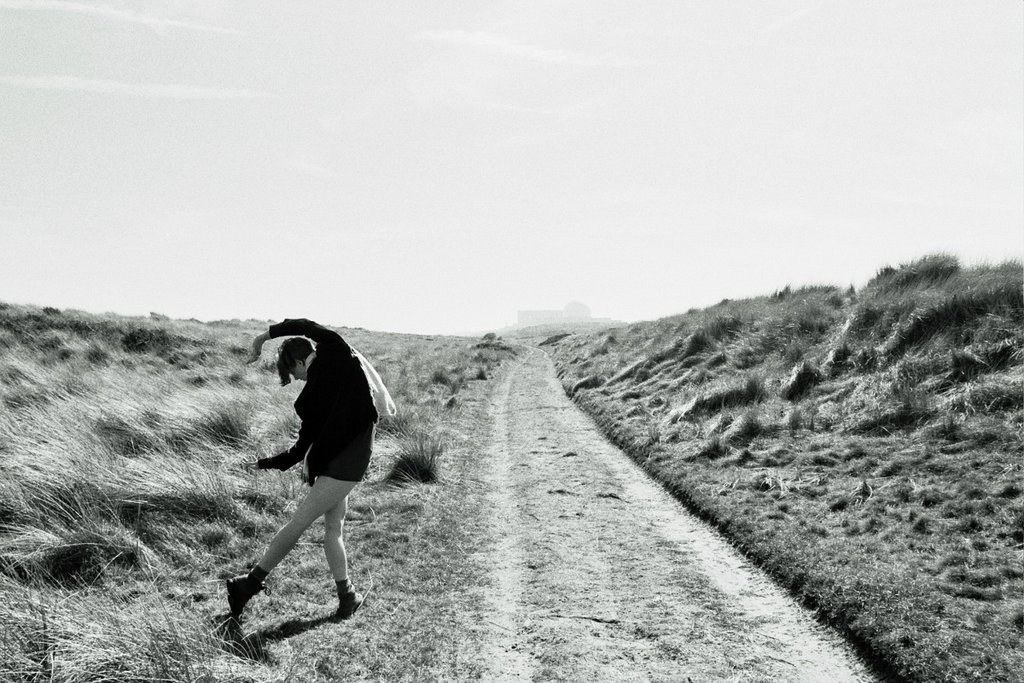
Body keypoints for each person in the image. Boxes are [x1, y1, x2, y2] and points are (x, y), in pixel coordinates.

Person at [226, 318, 380, 621]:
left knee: (317, 526)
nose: (295, 379)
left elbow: (298, 452)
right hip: (347, 462)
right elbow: (299, 450)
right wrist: (263, 463)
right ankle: (251, 584)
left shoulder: (323, 370)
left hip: (340, 464)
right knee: (321, 526)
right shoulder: (338, 353)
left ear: (299, 361)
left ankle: (345, 596)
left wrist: (262, 338)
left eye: (292, 371)